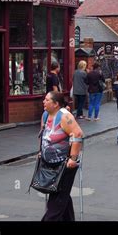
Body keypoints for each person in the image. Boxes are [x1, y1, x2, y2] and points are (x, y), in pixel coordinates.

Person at [41, 91, 83, 221]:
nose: (44, 101)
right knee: (62, 194)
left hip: (65, 163)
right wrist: (40, 151)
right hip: (49, 163)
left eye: (47, 100)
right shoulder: (45, 115)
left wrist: (73, 159)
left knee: (57, 197)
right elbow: (43, 134)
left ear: (56, 104)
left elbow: (78, 134)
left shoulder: (65, 116)